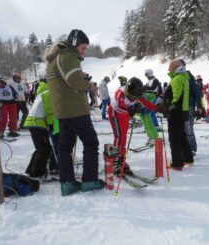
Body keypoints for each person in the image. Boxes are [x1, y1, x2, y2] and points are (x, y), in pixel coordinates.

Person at [46, 29, 103, 196]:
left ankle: (67, 183)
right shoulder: (68, 55)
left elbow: (64, 80)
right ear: (74, 43)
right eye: (83, 48)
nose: (84, 52)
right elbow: (74, 81)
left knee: (64, 148)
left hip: (61, 110)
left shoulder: (53, 59)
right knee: (91, 142)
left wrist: (79, 77)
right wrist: (89, 85)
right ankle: (89, 181)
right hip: (75, 109)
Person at [108, 77, 157, 176]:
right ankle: (115, 161)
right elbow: (120, 104)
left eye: (135, 97)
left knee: (124, 138)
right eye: (132, 97)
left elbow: (146, 102)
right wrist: (131, 108)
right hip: (115, 113)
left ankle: (121, 160)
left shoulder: (137, 93)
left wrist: (157, 108)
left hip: (124, 114)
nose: (134, 99)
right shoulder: (120, 93)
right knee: (118, 138)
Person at [162, 59, 193, 170]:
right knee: (182, 136)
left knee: (174, 138)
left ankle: (177, 163)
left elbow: (176, 97)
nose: (168, 70)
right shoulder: (184, 77)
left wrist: (168, 108)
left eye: (170, 68)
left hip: (176, 112)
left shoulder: (176, 79)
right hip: (183, 111)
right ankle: (188, 158)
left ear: (175, 68)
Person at [23, 81, 54, 178]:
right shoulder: (48, 93)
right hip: (37, 122)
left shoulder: (42, 92)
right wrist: (51, 124)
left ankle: (30, 170)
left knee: (41, 148)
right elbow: (49, 111)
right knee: (44, 149)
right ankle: (36, 172)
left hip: (33, 121)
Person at [182, 63, 202, 156]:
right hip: (181, 107)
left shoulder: (189, 77)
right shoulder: (178, 77)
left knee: (188, 128)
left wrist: (199, 107)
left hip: (189, 106)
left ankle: (192, 149)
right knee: (183, 128)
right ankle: (186, 148)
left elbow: (197, 92)